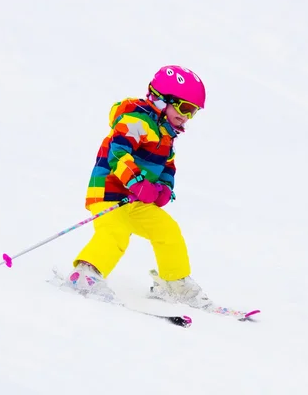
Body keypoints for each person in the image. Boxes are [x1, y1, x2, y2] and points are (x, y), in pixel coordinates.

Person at [66, 65, 212, 309]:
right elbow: (118, 153)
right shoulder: (136, 120)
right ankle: (85, 276)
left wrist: (164, 187)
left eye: (193, 111)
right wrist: (137, 182)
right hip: (109, 192)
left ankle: (173, 283)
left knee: (167, 230)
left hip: (137, 200)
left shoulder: (167, 134)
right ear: (162, 99)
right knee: (116, 232)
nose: (187, 116)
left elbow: (168, 166)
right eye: (185, 108)